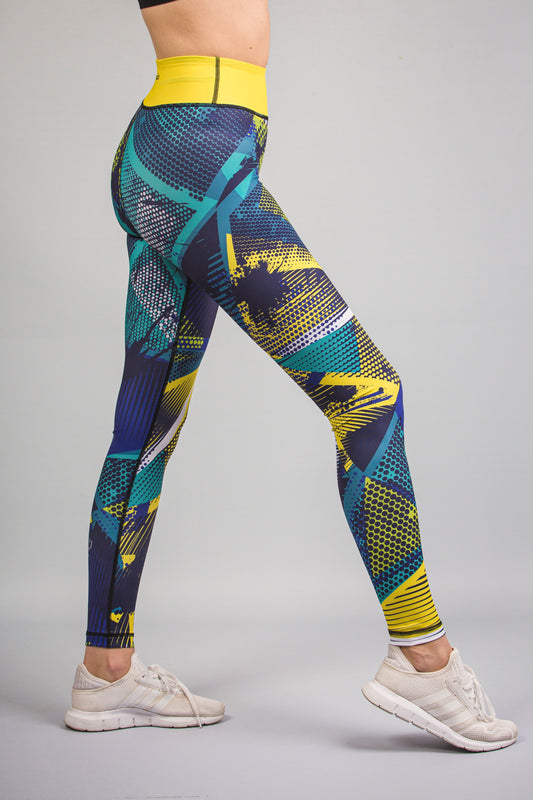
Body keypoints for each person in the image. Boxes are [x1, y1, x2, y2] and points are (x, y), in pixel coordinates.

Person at [64, 0, 517, 751]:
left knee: (146, 432)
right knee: (369, 394)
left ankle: (104, 670)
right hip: (196, 157)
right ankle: (423, 657)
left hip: (181, 149)